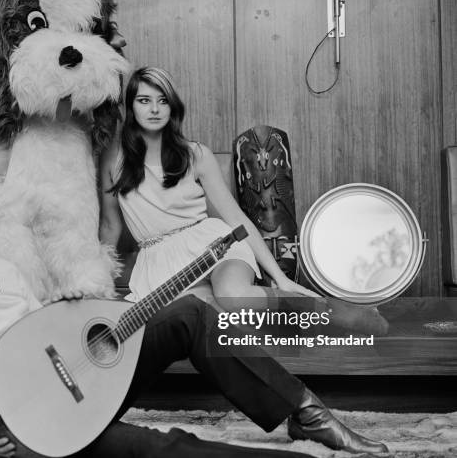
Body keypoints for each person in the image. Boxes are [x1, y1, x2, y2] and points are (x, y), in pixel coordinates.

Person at [0, 169, 436, 458]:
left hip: (82, 379)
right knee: (161, 449)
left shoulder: (4, 266)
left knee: (191, 314)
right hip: (35, 426)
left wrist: (71, 307)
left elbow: (35, 331)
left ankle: (310, 416)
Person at [99, 67, 389, 335]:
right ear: (130, 106)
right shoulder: (113, 160)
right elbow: (110, 227)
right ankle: (305, 320)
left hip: (214, 245)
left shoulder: (195, 154)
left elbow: (234, 217)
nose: (153, 109)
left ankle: (330, 312)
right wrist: (97, 286)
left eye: (162, 101)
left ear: (173, 106)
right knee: (203, 316)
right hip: (161, 263)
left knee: (233, 296)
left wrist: (279, 276)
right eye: (144, 100)